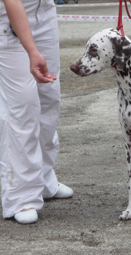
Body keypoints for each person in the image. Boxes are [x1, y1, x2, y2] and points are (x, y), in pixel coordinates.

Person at [0, 0, 73, 224]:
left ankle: (43, 179)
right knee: (22, 107)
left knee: (49, 99)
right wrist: (31, 50)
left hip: (44, 13)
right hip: (9, 19)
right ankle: (20, 196)